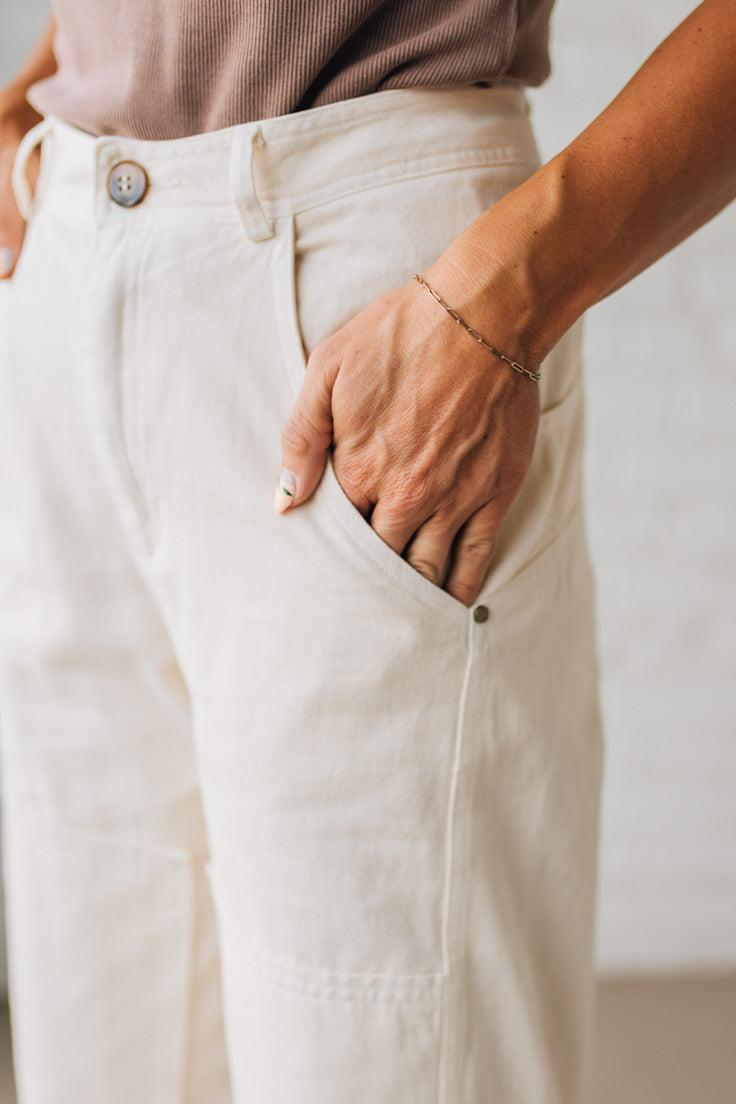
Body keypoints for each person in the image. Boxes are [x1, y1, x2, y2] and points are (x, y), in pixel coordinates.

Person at [0, 2, 733, 1101]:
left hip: (361, 299)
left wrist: (508, 297)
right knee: (99, 1051)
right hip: (69, 254)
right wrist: (49, 76)